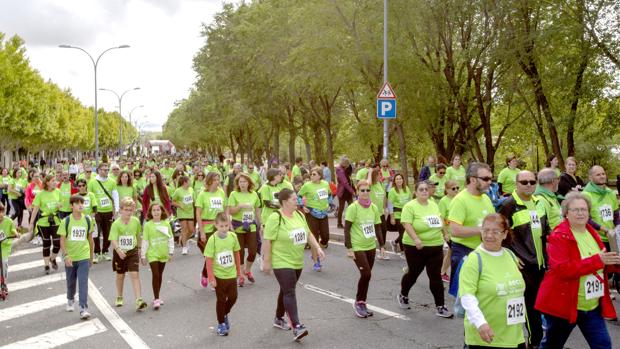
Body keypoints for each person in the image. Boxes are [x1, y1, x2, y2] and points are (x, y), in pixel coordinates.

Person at [536, 192, 620, 349]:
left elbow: (600, 264)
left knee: (603, 345)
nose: (580, 213)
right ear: (566, 213)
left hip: (592, 306)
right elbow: (562, 269)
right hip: (565, 305)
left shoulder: (591, 231)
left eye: (584, 209)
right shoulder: (559, 236)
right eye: (575, 210)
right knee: (552, 345)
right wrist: (598, 260)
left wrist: (612, 262)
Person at [262, 188, 325, 342]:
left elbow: (308, 233)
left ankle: (278, 318)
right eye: (294, 199)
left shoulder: (299, 215)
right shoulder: (275, 217)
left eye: (297, 198)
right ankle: (297, 326)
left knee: (286, 290)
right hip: (281, 260)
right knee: (290, 291)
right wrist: (267, 261)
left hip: (297, 260)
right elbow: (268, 240)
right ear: (284, 201)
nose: (297, 201)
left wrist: (317, 248)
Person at [498, 170, 550, 348]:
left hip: (541, 263)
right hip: (523, 264)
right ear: (516, 183)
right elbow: (500, 234)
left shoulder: (539, 202)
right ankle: (535, 342)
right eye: (524, 182)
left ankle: (534, 339)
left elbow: (545, 232)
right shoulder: (508, 204)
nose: (529, 185)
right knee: (530, 305)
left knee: (539, 304)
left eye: (532, 182)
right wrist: (511, 255)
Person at [459, 214, 526, 349]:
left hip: (514, 335)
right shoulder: (474, 260)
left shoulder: (510, 255)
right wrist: (480, 323)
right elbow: (467, 296)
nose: (489, 235)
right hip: (486, 336)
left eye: (495, 232)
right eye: (485, 230)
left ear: (505, 234)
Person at [396, 180, 453, 318]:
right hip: (415, 247)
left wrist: (445, 233)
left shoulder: (433, 205)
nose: (424, 191)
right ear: (415, 192)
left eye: (426, 189)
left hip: (435, 245)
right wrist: (416, 239)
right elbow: (406, 224)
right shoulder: (410, 206)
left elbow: (440, 220)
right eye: (421, 189)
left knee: (435, 277)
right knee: (413, 273)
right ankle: (403, 294)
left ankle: (440, 306)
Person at [448, 162, 495, 284]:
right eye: (485, 178)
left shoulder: (486, 198)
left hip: (484, 251)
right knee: (463, 296)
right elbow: (454, 230)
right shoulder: (460, 200)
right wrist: (482, 230)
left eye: (491, 178)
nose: (489, 182)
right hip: (463, 251)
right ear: (473, 180)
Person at [344, 179, 383, 318]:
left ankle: (362, 302)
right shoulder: (353, 208)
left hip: (370, 246)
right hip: (357, 246)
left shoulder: (373, 207)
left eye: (367, 190)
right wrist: (349, 248)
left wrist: (382, 245)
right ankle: (359, 302)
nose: (365, 193)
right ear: (357, 192)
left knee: (366, 276)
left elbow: (377, 227)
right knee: (366, 274)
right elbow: (347, 228)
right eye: (362, 190)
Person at [205, 212, 241, 336]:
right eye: (221, 226)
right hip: (219, 275)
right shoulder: (212, 240)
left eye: (226, 226)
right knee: (221, 300)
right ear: (216, 225)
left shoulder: (233, 237)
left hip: (231, 274)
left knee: (233, 297)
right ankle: (221, 323)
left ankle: (224, 313)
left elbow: (236, 254)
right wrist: (211, 277)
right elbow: (208, 260)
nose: (224, 229)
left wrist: (238, 271)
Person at [58, 195, 94, 320]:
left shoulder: (88, 220)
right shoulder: (66, 221)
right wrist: (66, 255)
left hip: (84, 255)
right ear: (71, 206)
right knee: (71, 281)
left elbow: (90, 240)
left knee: (83, 281)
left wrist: (91, 256)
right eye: (77, 203)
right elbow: (62, 240)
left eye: (82, 203)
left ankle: (83, 308)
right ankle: (70, 299)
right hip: (70, 257)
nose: (80, 205)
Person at [109, 197, 147, 310]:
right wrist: (119, 250)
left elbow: (138, 235)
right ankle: (119, 296)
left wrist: (140, 249)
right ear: (120, 210)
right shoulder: (116, 224)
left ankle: (139, 300)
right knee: (120, 275)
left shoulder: (135, 221)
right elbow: (113, 239)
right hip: (119, 252)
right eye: (126, 209)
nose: (128, 212)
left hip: (132, 251)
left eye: (130, 210)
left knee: (134, 274)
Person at [195, 172, 228, 288]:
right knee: (210, 255)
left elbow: (225, 209)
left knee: (216, 254)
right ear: (209, 181)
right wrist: (202, 231)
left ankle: (207, 275)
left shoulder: (221, 192)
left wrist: (226, 224)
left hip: (219, 227)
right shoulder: (202, 195)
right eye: (214, 180)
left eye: (218, 179)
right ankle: (210, 277)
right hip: (207, 227)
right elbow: (198, 214)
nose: (217, 182)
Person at [227, 173, 261, 286]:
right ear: (237, 183)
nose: (242, 184)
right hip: (238, 226)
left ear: (249, 183)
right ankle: (241, 275)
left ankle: (247, 270)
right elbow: (231, 211)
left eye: (244, 182)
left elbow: (257, 210)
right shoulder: (234, 194)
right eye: (240, 182)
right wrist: (240, 206)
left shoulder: (254, 194)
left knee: (252, 251)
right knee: (240, 252)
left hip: (251, 225)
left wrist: (261, 224)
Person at [140, 203, 174, 310]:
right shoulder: (148, 225)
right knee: (155, 274)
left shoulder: (166, 224)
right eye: (154, 210)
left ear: (162, 211)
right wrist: (143, 255)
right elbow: (145, 241)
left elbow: (170, 238)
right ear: (150, 212)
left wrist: (171, 252)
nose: (156, 212)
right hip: (152, 254)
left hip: (163, 253)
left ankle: (158, 296)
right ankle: (156, 298)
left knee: (160, 275)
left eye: (158, 210)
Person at [298, 167, 331, 271]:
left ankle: (316, 251)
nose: (311, 176)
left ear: (320, 176)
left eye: (314, 174)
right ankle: (317, 262)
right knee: (314, 238)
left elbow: (329, 195)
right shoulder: (307, 185)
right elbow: (299, 196)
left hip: (324, 213)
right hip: (312, 213)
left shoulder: (325, 184)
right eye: (311, 174)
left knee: (325, 237)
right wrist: (303, 206)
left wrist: (329, 203)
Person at [29, 174, 62, 274]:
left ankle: (53, 258)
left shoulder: (58, 192)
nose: (55, 182)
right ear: (47, 182)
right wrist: (31, 223)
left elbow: (61, 204)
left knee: (57, 243)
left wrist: (60, 205)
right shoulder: (40, 194)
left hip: (55, 220)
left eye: (55, 181)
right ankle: (46, 265)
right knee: (46, 243)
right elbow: (35, 209)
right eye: (53, 180)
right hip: (43, 222)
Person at [88, 163, 119, 263]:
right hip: (96, 212)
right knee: (96, 233)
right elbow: (89, 196)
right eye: (103, 170)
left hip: (108, 211)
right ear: (98, 170)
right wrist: (90, 211)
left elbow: (115, 195)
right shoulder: (92, 182)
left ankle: (105, 251)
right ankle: (97, 252)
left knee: (108, 233)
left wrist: (117, 209)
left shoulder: (112, 182)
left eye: (107, 170)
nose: (105, 171)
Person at [582, 165, 619, 247]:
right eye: (598, 175)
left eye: (603, 174)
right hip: (595, 238)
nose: (602, 176)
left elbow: (616, 214)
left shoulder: (611, 193)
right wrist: (603, 229)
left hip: (612, 237)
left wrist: (617, 227)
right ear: (590, 178)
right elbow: (585, 218)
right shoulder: (585, 195)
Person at [439, 180, 459, 283]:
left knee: (451, 253)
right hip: (449, 232)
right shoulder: (443, 201)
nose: (456, 190)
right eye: (453, 188)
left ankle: (443, 272)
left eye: (457, 188)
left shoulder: (459, 199)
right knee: (453, 253)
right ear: (447, 190)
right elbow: (441, 217)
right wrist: (445, 233)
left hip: (458, 231)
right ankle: (443, 272)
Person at [367, 167, 389, 259]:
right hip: (372, 212)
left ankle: (382, 250)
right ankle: (381, 250)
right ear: (373, 176)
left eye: (380, 174)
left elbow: (384, 197)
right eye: (377, 175)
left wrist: (385, 208)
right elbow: (368, 182)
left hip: (381, 212)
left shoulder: (380, 184)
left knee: (384, 230)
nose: (380, 176)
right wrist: (370, 172)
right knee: (377, 231)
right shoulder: (370, 185)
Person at [387, 173, 412, 254]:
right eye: (397, 179)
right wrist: (392, 217)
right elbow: (390, 204)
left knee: (406, 231)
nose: (399, 180)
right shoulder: (392, 191)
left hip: (406, 214)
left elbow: (410, 201)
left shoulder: (407, 189)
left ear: (403, 180)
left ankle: (394, 242)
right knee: (402, 232)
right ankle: (403, 250)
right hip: (397, 214)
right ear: (394, 181)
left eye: (400, 178)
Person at [171, 176, 195, 255]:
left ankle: (184, 240)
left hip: (190, 212)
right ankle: (184, 247)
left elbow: (194, 200)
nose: (190, 182)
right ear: (185, 182)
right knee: (184, 229)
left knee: (191, 230)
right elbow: (173, 201)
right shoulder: (178, 191)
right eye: (189, 181)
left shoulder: (191, 189)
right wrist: (180, 206)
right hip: (182, 212)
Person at [0, 203, 19, 291]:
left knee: (4, 262)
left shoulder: (8, 221)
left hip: (5, 246)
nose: (0, 214)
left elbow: (13, 229)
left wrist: (15, 233)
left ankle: (4, 282)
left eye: (2, 211)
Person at [336, 157, 355, 229]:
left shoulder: (347, 168)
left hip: (348, 191)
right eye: (347, 164)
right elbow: (345, 183)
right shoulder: (339, 170)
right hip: (342, 191)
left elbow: (350, 179)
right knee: (341, 208)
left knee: (352, 207)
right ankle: (339, 223)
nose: (348, 165)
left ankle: (352, 222)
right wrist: (352, 191)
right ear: (344, 164)